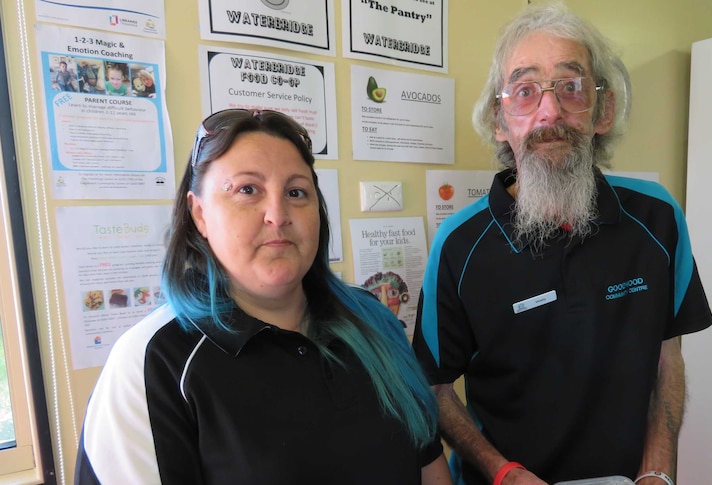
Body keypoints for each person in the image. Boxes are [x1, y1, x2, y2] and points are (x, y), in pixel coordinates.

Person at [411, 3, 712, 485]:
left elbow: (667, 358)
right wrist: (502, 472)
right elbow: (435, 389)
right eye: (525, 91)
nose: (549, 111)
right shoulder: (458, 246)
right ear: (499, 119)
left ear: (603, 110)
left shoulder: (659, 219)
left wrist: (657, 471)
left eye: (571, 87)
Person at [75, 109, 452, 484]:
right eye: (247, 189)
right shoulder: (152, 362)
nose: (278, 214)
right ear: (200, 215)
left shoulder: (373, 320)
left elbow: (428, 463)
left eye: (295, 192)